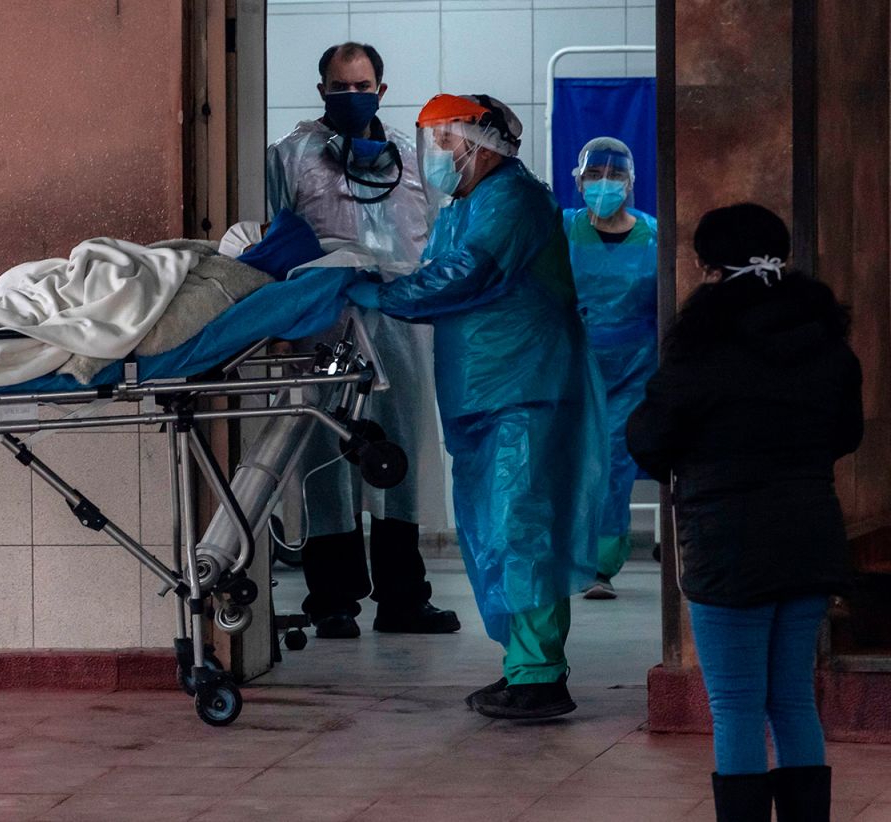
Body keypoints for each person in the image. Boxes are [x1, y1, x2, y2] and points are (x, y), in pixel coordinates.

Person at [347, 93, 606, 719]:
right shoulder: (467, 206)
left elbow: (465, 275)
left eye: (444, 141)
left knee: (522, 532)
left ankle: (542, 677)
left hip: (524, 392)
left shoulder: (513, 199)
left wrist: (378, 291)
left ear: (479, 142)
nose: (435, 154)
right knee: (495, 532)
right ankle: (524, 667)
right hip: (484, 396)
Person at [627, 203, 862, 822]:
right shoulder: (829, 345)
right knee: (791, 698)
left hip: (726, 541)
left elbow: (649, 437)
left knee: (735, 704)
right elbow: (846, 433)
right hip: (811, 532)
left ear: (707, 268)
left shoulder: (701, 351)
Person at [266, 42, 457, 639]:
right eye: (341, 86)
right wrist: (276, 326)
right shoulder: (289, 157)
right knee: (326, 454)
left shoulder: (414, 155)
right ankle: (332, 599)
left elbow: (440, 240)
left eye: (364, 84)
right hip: (322, 325)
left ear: (382, 87)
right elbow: (268, 243)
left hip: (401, 325)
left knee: (401, 453)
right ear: (321, 90)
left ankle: (403, 598)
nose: (354, 95)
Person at [562, 137, 659, 599]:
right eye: (595, 175)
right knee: (576, 462)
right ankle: (569, 558)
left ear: (631, 182)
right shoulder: (561, 232)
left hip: (635, 370)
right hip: (573, 368)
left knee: (615, 464)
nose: (605, 184)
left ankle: (601, 565)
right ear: (578, 181)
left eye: (615, 175)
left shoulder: (655, 236)